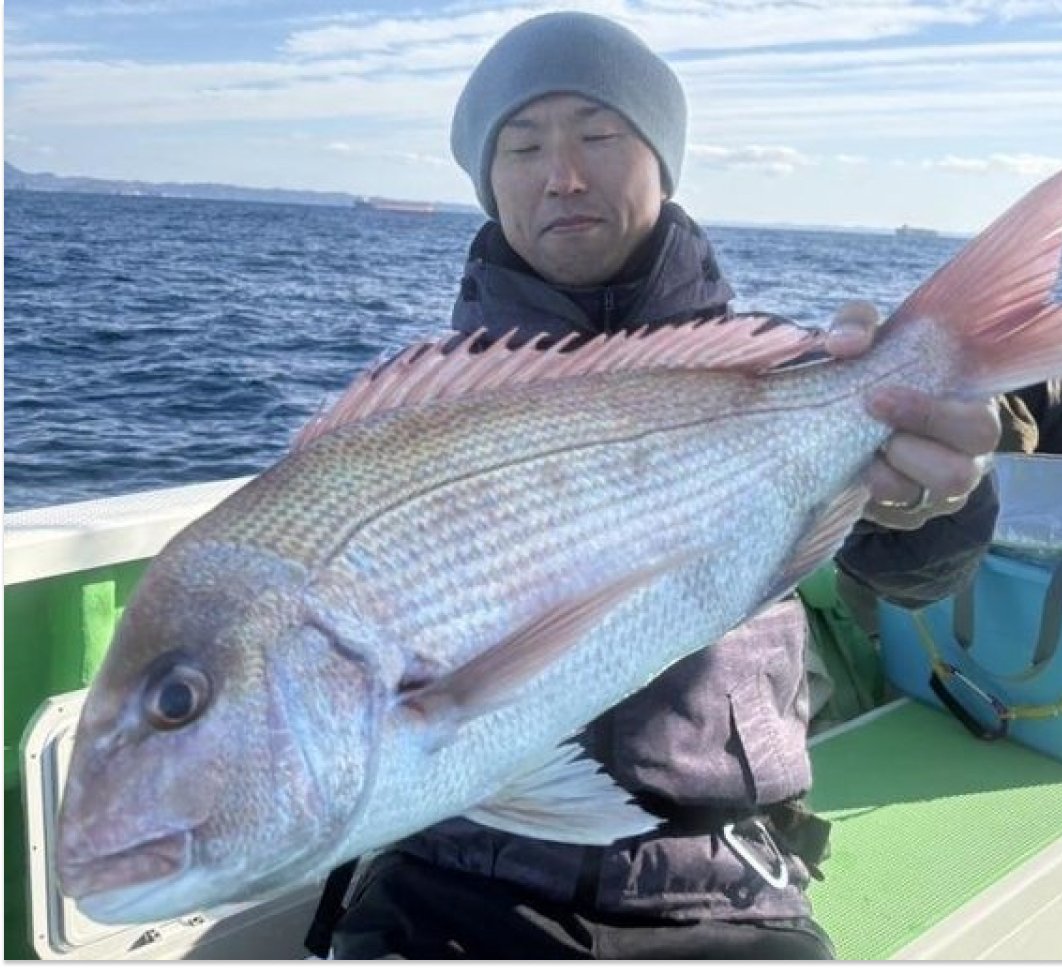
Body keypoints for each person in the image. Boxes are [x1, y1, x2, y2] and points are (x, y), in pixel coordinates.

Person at [322, 11, 1001, 960]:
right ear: (488, 183)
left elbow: (914, 579)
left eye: (599, 135)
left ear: (661, 159)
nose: (562, 174)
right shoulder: (412, 415)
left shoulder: (787, 376)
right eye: (521, 146)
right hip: (454, 872)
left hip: (720, 883)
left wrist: (938, 502)